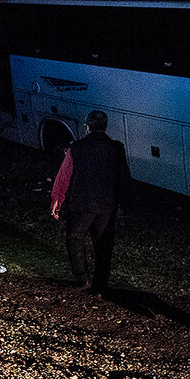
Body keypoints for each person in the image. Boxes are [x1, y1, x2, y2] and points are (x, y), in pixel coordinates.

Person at [51, 109, 131, 293]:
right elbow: (124, 178)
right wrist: (123, 203)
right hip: (106, 205)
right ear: (105, 127)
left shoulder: (76, 148)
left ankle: (81, 278)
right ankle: (100, 284)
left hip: (82, 204)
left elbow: (64, 176)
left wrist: (57, 199)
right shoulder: (116, 148)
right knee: (104, 244)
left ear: (87, 127)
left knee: (75, 238)